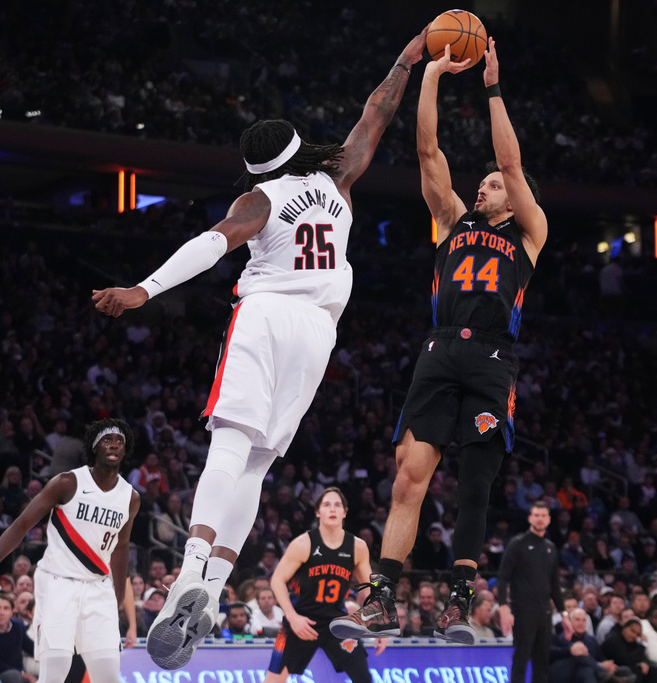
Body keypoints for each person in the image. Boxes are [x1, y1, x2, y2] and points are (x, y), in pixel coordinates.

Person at [90, 26, 430, 671]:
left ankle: (192, 574)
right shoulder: (338, 178)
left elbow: (213, 242)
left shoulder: (261, 196)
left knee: (228, 444)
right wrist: (406, 59)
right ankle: (212, 589)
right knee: (256, 468)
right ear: (302, 149)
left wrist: (145, 288)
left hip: (267, 315)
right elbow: (377, 111)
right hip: (319, 333)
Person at [332, 36, 548, 644]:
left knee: (475, 483)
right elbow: (427, 150)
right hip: (439, 347)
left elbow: (510, 164)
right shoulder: (452, 220)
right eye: (481, 183)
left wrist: (492, 89)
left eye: (494, 186)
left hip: (490, 357)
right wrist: (430, 74)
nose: (486, 187)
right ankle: (382, 600)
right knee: (408, 477)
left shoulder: (530, 231)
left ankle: (457, 602)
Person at [0, 419, 139, 683]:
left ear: (125, 450)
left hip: (99, 587)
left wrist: (118, 597)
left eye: (119, 441)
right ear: (94, 447)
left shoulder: (130, 496)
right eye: (106, 440)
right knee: (55, 671)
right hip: (58, 582)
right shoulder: (67, 482)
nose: (114, 444)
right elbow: (21, 524)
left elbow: (121, 546)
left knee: (109, 675)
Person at [265, 488, 383, 683]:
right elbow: (277, 580)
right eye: (326, 505)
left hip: (335, 622)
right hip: (301, 621)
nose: (332, 509)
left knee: (364, 677)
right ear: (318, 512)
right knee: (274, 680)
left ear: (345, 512)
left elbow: (369, 586)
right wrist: (292, 617)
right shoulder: (303, 544)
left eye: (337, 505)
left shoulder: (357, 546)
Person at [491, 503, 566, 683]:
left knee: (542, 663)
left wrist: (564, 613)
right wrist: (504, 607)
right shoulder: (518, 544)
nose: (539, 518)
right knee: (521, 660)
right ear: (530, 518)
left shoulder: (551, 548)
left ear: (548, 520)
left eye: (543, 515)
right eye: (536, 515)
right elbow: (503, 578)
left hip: (545, 613)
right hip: (523, 611)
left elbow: (554, 585)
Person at [549, 608, 619, 683]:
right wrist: (600, 666)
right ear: (569, 622)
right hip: (568, 674)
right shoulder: (562, 638)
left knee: (624, 670)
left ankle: (608, 675)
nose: (581, 623)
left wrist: (610, 666)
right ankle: (605, 674)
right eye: (577, 620)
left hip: (593, 671)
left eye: (584, 620)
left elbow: (601, 658)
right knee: (586, 668)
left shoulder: (591, 640)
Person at [601, 619, 652, 683]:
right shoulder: (613, 639)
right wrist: (643, 645)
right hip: (609, 669)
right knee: (636, 669)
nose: (634, 636)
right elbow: (626, 660)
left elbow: (641, 657)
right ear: (625, 628)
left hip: (624, 667)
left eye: (638, 634)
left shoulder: (633, 642)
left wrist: (644, 662)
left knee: (651, 669)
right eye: (632, 631)